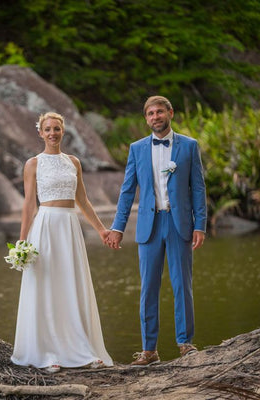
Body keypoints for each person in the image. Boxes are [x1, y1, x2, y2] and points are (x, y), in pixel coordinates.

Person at [107, 96, 207, 366]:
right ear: (146, 118)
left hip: (179, 225)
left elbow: (198, 188)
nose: (155, 117)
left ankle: (185, 344)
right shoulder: (137, 149)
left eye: (159, 111)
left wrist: (201, 225)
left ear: (170, 113)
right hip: (148, 227)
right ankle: (149, 351)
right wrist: (117, 227)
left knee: (181, 286)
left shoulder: (189, 146)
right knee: (148, 288)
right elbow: (128, 191)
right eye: (150, 113)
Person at [11, 111, 113, 373]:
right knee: (47, 287)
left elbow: (83, 200)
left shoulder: (73, 162)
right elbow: (28, 204)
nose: (52, 133)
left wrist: (101, 230)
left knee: (71, 286)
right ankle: (49, 353)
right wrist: (22, 242)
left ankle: (84, 351)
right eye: (48, 129)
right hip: (45, 227)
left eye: (57, 129)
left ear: (62, 131)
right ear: (40, 132)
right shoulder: (33, 163)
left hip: (69, 227)